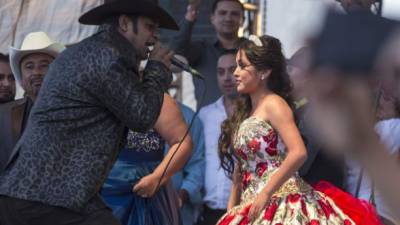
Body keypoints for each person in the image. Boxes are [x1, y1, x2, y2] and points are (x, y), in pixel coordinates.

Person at [0, 0, 179, 224]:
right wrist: (157, 69)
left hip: (44, 195)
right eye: (150, 27)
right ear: (124, 23)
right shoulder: (107, 57)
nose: (155, 37)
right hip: (46, 196)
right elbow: (142, 116)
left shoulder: (91, 51)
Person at [215, 35, 382, 225]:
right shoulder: (245, 111)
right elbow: (240, 169)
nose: (235, 73)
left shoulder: (274, 104)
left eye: (242, 66)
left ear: (264, 72)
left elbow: (299, 152)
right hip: (252, 203)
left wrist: (267, 192)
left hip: (282, 202)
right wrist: (232, 210)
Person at [101, 93, 193, 225]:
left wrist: (157, 177)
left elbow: (183, 142)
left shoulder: (157, 98)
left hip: (146, 190)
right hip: (103, 192)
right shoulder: (97, 92)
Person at [0, 32, 65, 171]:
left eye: (44, 65)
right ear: (21, 79)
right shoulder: (3, 114)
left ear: (58, 71)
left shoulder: (76, 111)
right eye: (29, 67)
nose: (36, 72)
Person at [287, 47, 345, 188]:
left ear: (307, 75)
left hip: (318, 197)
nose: (285, 75)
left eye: (290, 70)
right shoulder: (302, 107)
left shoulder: (315, 111)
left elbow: (301, 164)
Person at [171, 0, 246, 108]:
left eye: (234, 14)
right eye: (222, 13)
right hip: (208, 121)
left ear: (242, 20)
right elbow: (175, 52)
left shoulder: (252, 51)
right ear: (212, 18)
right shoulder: (201, 49)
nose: (228, 18)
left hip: (248, 119)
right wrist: (191, 12)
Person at [197, 49, 238, 225]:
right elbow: (197, 160)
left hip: (245, 210)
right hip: (209, 212)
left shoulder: (256, 114)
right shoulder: (205, 115)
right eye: (221, 72)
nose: (227, 77)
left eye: (232, 70)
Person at [168, 103, 205, 225]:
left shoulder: (188, 117)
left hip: (177, 213)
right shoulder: (128, 113)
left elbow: (196, 164)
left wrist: (182, 195)